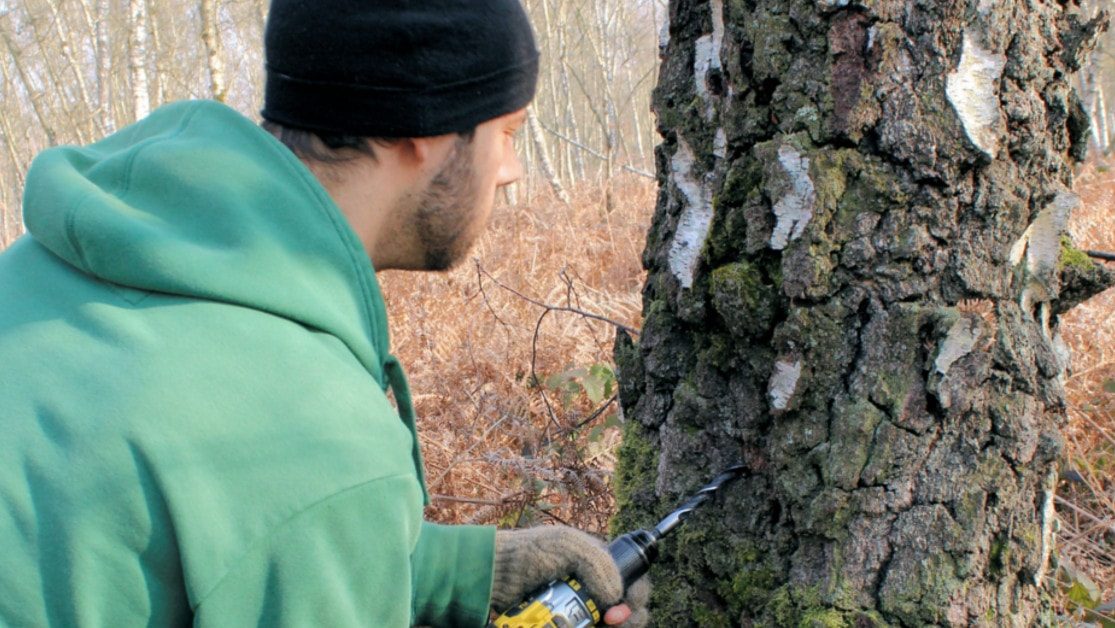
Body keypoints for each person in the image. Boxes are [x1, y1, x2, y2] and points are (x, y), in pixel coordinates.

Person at [0, 0, 649, 625]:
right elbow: (291, 486)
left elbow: (218, 525)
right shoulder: (311, 428)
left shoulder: (45, 271)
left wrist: (461, 572)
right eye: (505, 133)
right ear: (425, 129)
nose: (507, 170)